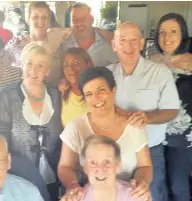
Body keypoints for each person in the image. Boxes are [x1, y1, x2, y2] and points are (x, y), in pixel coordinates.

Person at [107, 22, 180, 201]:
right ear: (114, 44)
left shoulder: (159, 72)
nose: (128, 46)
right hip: (114, 152)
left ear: (141, 43)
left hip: (150, 151)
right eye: (122, 40)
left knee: (151, 196)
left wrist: (148, 117)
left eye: (134, 40)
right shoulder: (107, 74)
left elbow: (172, 110)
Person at [58, 67, 153, 201]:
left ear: (113, 90)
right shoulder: (75, 127)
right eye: (89, 94)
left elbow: (145, 166)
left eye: (100, 90)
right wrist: (73, 186)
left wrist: (140, 183)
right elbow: (64, 167)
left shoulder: (133, 125)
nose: (95, 98)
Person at [0, 42, 63, 201]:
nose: (33, 70)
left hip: (53, 176)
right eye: (29, 63)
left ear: (47, 71)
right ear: (22, 64)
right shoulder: (8, 96)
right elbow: (1, 137)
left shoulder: (56, 95)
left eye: (40, 65)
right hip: (20, 176)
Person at [150, 13, 192, 201]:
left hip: (183, 136)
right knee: (158, 184)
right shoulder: (152, 59)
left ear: (183, 33)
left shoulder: (190, 61)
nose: (167, 37)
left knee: (178, 184)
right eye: (162, 32)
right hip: (155, 132)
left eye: (173, 31)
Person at [3, 1, 72, 86]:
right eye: (35, 17)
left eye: (44, 17)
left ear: (49, 21)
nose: (40, 21)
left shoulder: (58, 40)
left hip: (54, 96)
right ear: (28, 20)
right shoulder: (16, 45)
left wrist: (65, 80)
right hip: (26, 96)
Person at [61, 135, 145, 201]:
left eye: (107, 162)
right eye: (93, 162)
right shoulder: (76, 198)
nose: (100, 169)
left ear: (118, 166)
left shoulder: (135, 197)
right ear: (85, 168)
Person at [62, 2, 119, 66]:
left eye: (84, 18)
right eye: (74, 19)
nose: (79, 23)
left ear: (92, 19)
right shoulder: (64, 44)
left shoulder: (108, 43)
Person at [61, 47, 93, 127]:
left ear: (88, 64)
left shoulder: (96, 92)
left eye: (75, 63)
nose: (70, 68)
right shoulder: (63, 92)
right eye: (66, 65)